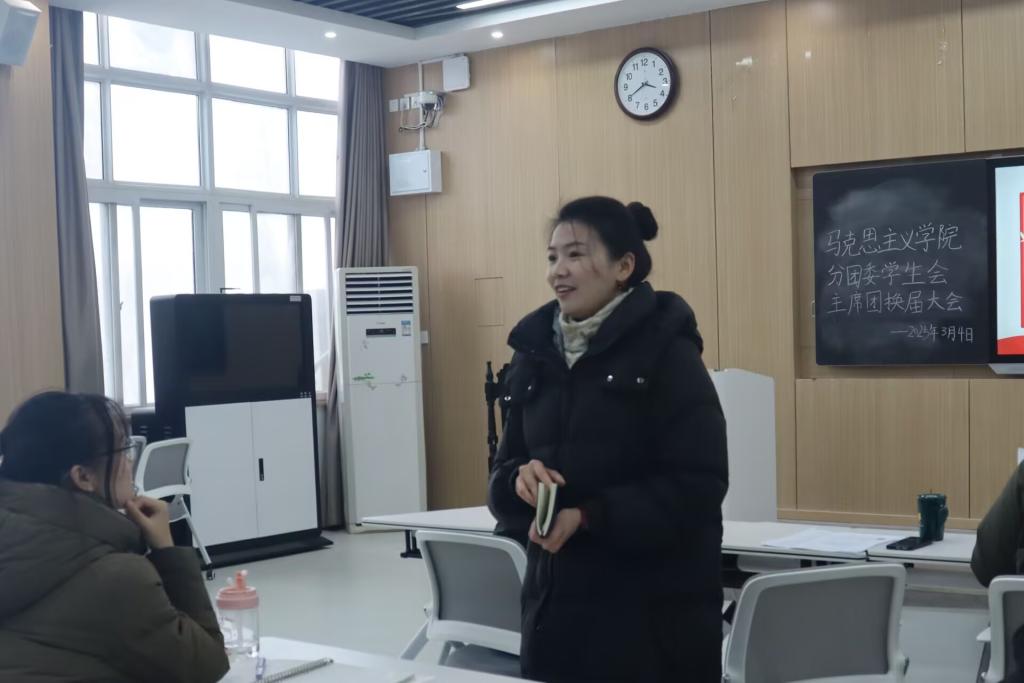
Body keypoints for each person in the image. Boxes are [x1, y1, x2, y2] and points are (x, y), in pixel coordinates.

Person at [487, 196, 729, 683]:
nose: (558, 271)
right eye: (552, 257)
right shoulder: (535, 353)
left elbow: (700, 485)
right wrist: (517, 481)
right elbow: (501, 475)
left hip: (651, 624)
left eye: (576, 254)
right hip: (555, 619)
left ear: (624, 266)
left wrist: (588, 516)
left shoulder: (668, 352)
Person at [0, 391, 230, 682]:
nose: (130, 462)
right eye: (124, 449)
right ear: (83, 477)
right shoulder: (115, 577)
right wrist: (167, 551)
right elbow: (206, 666)